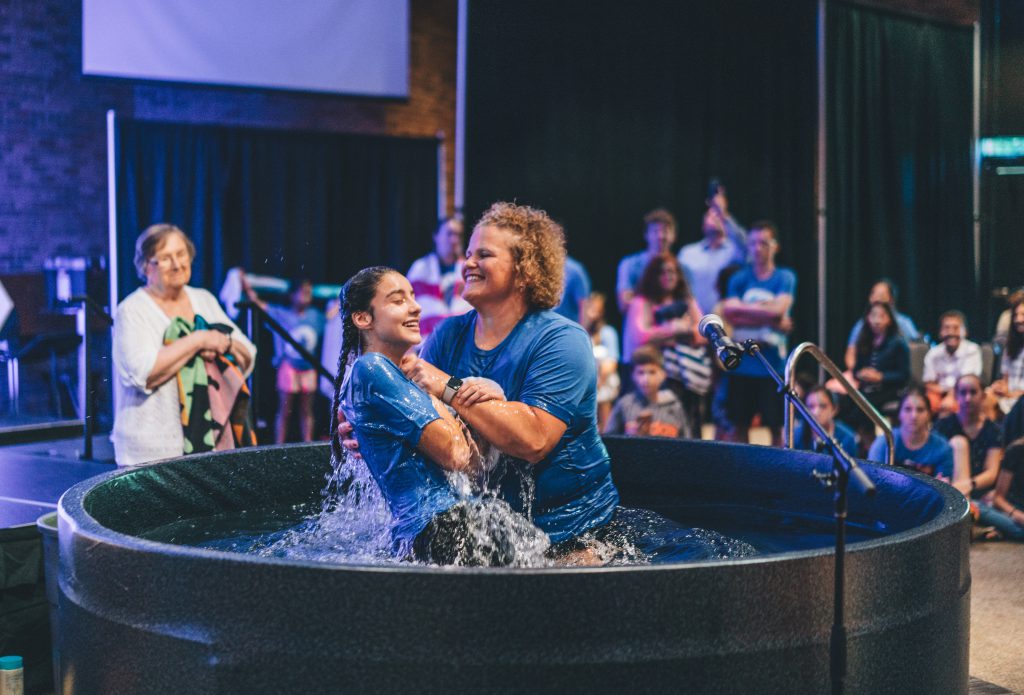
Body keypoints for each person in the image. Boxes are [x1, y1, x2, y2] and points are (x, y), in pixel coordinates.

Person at [402, 202, 620, 553]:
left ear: (524, 272)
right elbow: (422, 424)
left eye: (483, 254)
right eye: (468, 253)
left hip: (575, 532)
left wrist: (448, 386)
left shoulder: (562, 340)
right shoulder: (448, 336)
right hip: (491, 531)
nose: (467, 263)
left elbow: (533, 440)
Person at [328, 266, 540, 565]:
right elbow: (455, 453)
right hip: (442, 528)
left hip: (440, 528)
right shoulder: (371, 368)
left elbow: (473, 468)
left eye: (413, 297)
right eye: (398, 300)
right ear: (363, 318)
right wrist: (445, 393)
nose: (416, 307)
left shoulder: (390, 375)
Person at [112, 224, 255, 466]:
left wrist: (224, 343)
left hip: (211, 445)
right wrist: (200, 340)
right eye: (166, 258)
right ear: (147, 265)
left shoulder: (203, 299)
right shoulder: (132, 310)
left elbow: (248, 352)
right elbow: (142, 373)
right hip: (151, 453)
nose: (178, 264)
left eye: (181, 254)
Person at [721, 221, 796, 446]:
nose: (757, 248)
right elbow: (729, 311)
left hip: (772, 364)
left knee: (777, 427)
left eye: (763, 243)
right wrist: (769, 313)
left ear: (775, 246)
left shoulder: (785, 277)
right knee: (739, 426)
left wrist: (746, 313)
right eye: (753, 243)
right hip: (742, 363)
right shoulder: (738, 278)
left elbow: (781, 309)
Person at [621, 252, 707, 430]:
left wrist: (669, 333)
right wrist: (675, 329)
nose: (669, 276)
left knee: (690, 427)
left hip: (688, 379)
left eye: (673, 271)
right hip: (658, 377)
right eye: (664, 272)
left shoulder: (687, 300)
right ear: (654, 275)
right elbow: (641, 336)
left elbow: (702, 333)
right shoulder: (642, 301)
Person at [241, 274, 327, 443]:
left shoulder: (316, 316)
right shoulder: (282, 314)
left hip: (309, 367)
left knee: (306, 409)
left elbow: (335, 314)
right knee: (284, 409)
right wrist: (245, 283)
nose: (305, 295)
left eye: (308, 292)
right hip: (288, 367)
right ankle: (279, 445)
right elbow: (257, 304)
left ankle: (308, 443)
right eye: (302, 292)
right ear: (292, 295)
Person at [833, 302, 910, 449]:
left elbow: (904, 375)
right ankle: (854, 445)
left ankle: (864, 447)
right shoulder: (864, 341)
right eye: (873, 315)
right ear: (867, 318)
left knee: (861, 408)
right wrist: (861, 374)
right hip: (866, 389)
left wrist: (881, 377)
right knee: (842, 403)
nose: (877, 320)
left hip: (889, 391)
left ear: (889, 319)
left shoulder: (898, 343)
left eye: (881, 316)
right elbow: (855, 370)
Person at [678, 179, 747, 316]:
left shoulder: (734, 251)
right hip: (693, 322)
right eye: (711, 215)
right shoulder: (687, 253)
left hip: (727, 322)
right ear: (703, 224)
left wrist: (724, 214)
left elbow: (747, 246)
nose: (716, 217)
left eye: (719, 217)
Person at [406, 216, 472, 339]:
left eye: (458, 235)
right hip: (425, 344)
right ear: (436, 236)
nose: (454, 240)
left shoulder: (469, 269)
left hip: (461, 343)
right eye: (449, 233)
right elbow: (407, 308)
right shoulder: (419, 269)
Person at [604, 346, 691, 438]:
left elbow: (687, 440)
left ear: (663, 374)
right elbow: (609, 441)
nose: (646, 379)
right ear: (633, 376)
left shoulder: (674, 406)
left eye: (652, 372)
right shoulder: (624, 405)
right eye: (641, 372)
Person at [868, 387, 953, 477]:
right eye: (908, 409)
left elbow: (945, 486)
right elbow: (872, 478)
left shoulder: (942, 447)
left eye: (920, 410)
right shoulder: (884, 442)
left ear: (929, 415)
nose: (914, 416)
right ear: (899, 414)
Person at [844, 279, 920, 371]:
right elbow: (851, 354)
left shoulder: (904, 323)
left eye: (881, 296)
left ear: (891, 299)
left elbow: (916, 353)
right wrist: (858, 373)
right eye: (873, 294)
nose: (876, 299)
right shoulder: (862, 324)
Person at [615, 208, 677, 312]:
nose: (660, 236)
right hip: (637, 327)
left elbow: (687, 305)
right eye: (655, 231)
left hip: (673, 328)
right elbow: (624, 304)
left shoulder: (681, 268)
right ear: (646, 235)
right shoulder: (630, 264)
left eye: (665, 231)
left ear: (673, 236)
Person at [922, 310, 982, 417]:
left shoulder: (972, 350)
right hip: (939, 393)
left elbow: (968, 382)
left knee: (953, 405)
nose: (951, 333)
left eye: (955, 328)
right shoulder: (933, 353)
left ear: (965, 332)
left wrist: (950, 396)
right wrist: (944, 394)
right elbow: (928, 383)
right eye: (946, 328)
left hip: (964, 393)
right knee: (926, 403)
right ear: (940, 332)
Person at [580, 291, 620, 431]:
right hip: (583, 385)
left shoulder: (607, 332)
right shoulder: (579, 332)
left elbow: (611, 362)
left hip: (603, 384)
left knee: (604, 420)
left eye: (596, 310)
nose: (592, 314)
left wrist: (598, 383)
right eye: (589, 309)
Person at [792, 385, 858, 459]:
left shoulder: (847, 438)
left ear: (834, 409)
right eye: (811, 406)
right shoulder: (796, 435)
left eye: (822, 406)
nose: (816, 412)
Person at [989, 293, 1024, 416]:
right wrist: (999, 386)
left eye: (1023, 315)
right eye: (1015, 315)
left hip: (1020, 400)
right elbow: (1005, 379)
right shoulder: (1010, 346)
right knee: (985, 397)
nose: (1018, 320)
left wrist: (1009, 394)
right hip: (1008, 397)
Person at [553, 255, 591, 323]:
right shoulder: (538, 267)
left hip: (566, 329)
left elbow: (583, 305)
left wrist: (582, 331)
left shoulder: (575, 271)